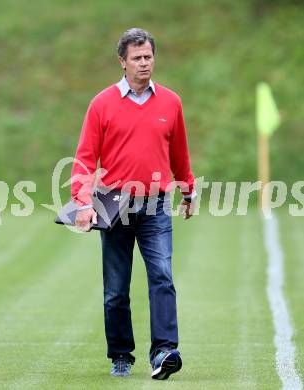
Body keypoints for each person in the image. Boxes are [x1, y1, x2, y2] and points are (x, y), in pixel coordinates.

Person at [70, 28, 197, 380]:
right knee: (116, 289)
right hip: (114, 206)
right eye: (137, 58)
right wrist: (82, 201)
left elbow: (179, 153)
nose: (144, 63)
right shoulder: (101, 104)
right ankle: (121, 354)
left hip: (156, 204)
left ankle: (164, 352)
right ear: (122, 62)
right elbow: (84, 160)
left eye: (148, 56)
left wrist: (188, 189)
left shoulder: (171, 102)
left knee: (162, 277)